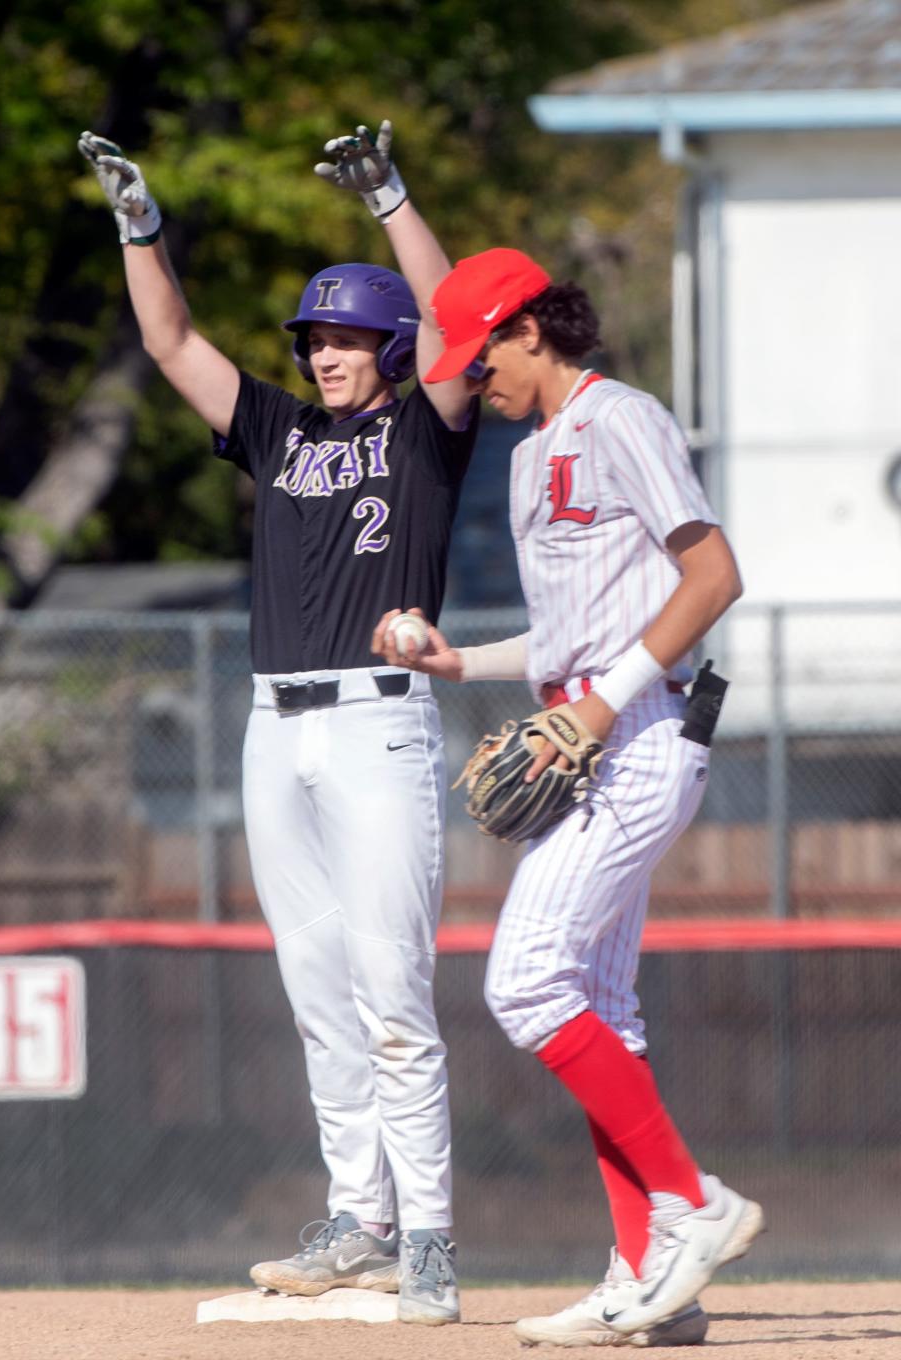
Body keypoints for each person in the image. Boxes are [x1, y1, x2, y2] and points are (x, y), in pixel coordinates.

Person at [77, 120, 479, 1325]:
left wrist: (393, 203)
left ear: (391, 349)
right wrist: (139, 228)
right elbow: (170, 339)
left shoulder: (424, 434)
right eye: (315, 338)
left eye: (348, 336)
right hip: (273, 725)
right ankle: (360, 1220)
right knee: (315, 982)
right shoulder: (283, 431)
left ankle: (434, 1243)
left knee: (390, 986)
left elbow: (460, 326)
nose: (325, 353)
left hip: (376, 724)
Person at [373, 246, 764, 1346]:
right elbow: (568, 636)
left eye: (475, 351)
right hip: (590, 734)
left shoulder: (622, 417)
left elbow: (715, 577)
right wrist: (463, 665)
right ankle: (653, 1281)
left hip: (639, 735)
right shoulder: (528, 451)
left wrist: (599, 708)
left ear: (526, 329)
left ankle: (695, 1206)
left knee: (526, 982)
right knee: (604, 1011)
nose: (467, 375)